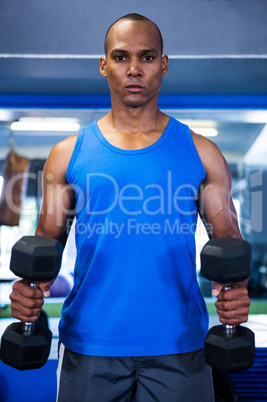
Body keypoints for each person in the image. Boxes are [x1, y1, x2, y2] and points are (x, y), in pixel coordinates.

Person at [10, 13, 251, 402]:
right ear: (104, 66)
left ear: (164, 65)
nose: (134, 69)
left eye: (148, 57)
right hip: (91, 345)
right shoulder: (68, 154)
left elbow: (230, 246)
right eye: (121, 57)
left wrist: (236, 291)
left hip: (180, 346)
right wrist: (27, 291)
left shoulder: (202, 152)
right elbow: (44, 251)